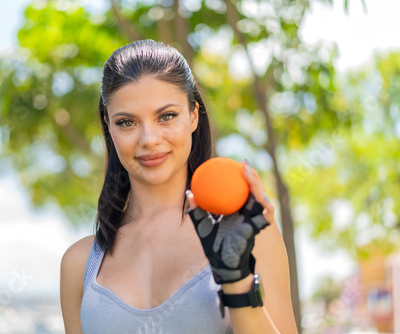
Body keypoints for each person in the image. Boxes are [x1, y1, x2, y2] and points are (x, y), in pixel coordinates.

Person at [60, 39, 297, 334]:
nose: (149, 138)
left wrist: (236, 279)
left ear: (194, 116)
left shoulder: (247, 232)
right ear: (109, 126)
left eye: (166, 116)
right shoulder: (79, 264)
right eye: (127, 122)